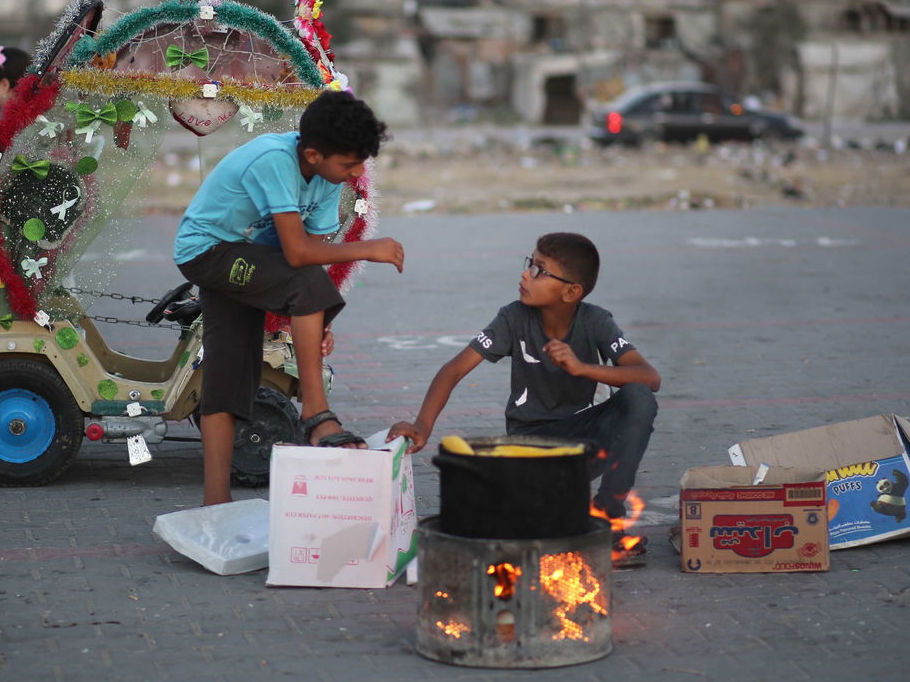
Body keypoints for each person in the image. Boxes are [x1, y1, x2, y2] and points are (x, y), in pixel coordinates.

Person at [173, 90, 406, 506]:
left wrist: (319, 322)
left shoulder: (327, 180)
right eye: (348, 164)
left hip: (250, 263)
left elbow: (305, 266)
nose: (354, 174)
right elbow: (299, 254)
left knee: (227, 379)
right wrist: (369, 248)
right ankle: (315, 412)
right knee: (302, 291)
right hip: (208, 254)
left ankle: (214, 504)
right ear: (313, 154)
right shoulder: (274, 160)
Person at [388, 232, 661, 565]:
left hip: (578, 449)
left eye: (539, 270)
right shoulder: (513, 318)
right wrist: (422, 424)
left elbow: (650, 377)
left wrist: (582, 368)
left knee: (638, 396)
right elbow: (453, 370)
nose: (525, 274)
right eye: (530, 263)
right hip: (529, 452)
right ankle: (551, 512)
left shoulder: (596, 321)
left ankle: (608, 514)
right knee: (524, 531)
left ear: (571, 291)